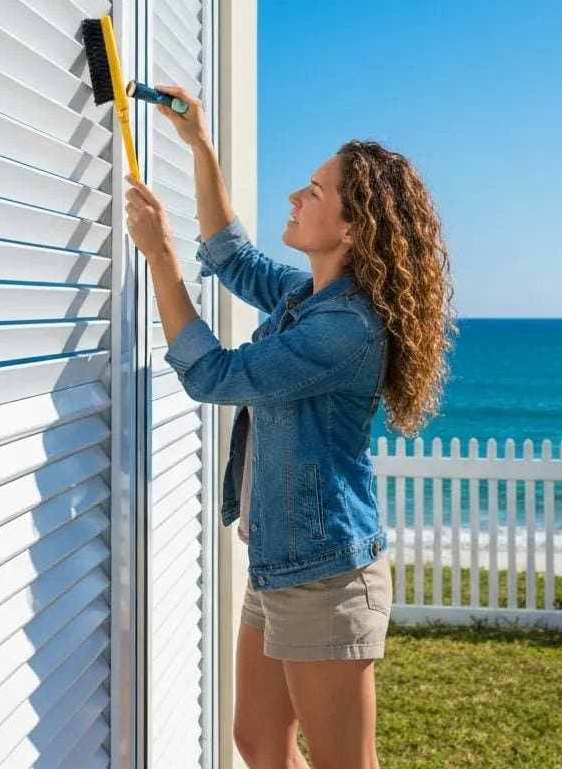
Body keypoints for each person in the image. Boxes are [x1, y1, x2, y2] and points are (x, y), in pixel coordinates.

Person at [125, 83, 458, 769]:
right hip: (282, 564)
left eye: (314, 191)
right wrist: (199, 144)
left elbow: (212, 374)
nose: (295, 198)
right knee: (258, 741)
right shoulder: (309, 298)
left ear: (351, 228)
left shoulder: (344, 330)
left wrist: (160, 256)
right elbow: (233, 258)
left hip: (329, 578)